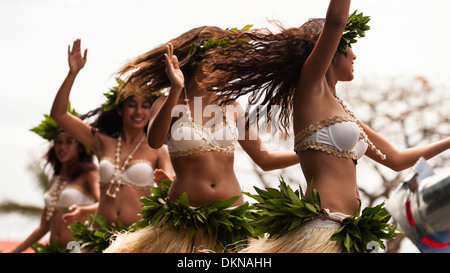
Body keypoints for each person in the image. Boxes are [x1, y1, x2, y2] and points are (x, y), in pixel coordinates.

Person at [200, 0, 450, 252]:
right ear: (333, 49)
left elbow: (396, 159)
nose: (354, 55)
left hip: (351, 231)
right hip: (322, 229)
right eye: (349, 46)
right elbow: (336, 22)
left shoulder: (345, 112)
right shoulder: (311, 88)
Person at [104, 26, 300, 253]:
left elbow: (264, 158)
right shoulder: (169, 104)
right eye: (211, 58)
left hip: (230, 221)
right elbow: (155, 141)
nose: (217, 64)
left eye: (221, 59)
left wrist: (305, 153)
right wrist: (176, 89)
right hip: (184, 222)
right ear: (194, 60)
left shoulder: (232, 106)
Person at [50, 39, 174, 232]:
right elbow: (59, 114)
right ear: (120, 110)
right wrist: (72, 73)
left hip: (135, 240)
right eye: (132, 104)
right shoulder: (101, 142)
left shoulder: (158, 149)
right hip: (99, 235)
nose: (138, 111)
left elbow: (172, 185)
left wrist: (167, 182)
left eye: (145, 105)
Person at [5, 115, 99, 253]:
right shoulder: (55, 178)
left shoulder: (89, 173)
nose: (62, 147)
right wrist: (13, 251)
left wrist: (82, 210)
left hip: (79, 249)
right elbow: (44, 227)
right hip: (54, 249)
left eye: (69, 142)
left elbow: (104, 203)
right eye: (58, 142)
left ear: (80, 147)